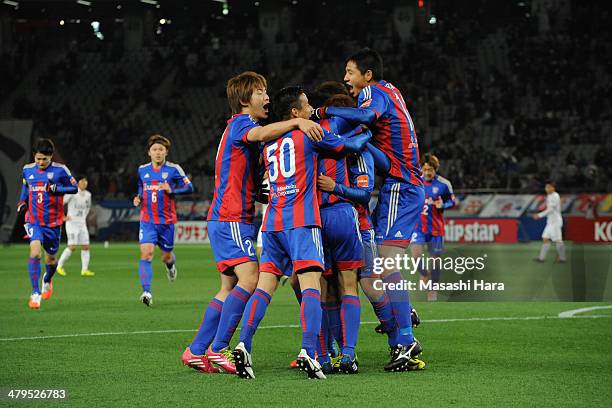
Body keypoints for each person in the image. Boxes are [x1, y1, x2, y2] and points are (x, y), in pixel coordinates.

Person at [181, 72, 324, 375]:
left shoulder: (237, 128)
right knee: (250, 278)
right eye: (261, 92)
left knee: (228, 287)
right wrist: (298, 121)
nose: (267, 97)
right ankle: (219, 349)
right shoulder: (243, 125)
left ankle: (195, 351)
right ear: (245, 100)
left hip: (229, 217)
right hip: (232, 217)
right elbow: (260, 136)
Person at [232, 86, 370, 380]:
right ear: (295, 112)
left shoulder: (268, 142)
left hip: (272, 224)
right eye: (307, 106)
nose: (311, 111)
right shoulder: (310, 133)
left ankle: (244, 343)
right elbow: (351, 147)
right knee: (311, 286)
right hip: (302, 222)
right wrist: (370, 133)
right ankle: (310, 350)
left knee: (264, 288)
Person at [314, 48, 425, 371]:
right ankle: (399, 325)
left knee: (386, 267)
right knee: (374, 271)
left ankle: (404, 335)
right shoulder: (391, 91)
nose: (346, 78)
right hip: (400, 181)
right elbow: (383, 154)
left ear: (367, 75)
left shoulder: (374, 94)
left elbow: (364, 118)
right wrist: (365, 141)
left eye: (350, 72)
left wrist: (323, 112)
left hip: (401, 187)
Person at [133, 134, 194, 306]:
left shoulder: (174, 169)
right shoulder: (142, 170)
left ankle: (170, 266)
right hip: (147, 220)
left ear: (166, 152)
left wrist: (172, 189)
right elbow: (140, 186)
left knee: (166, 256)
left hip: (166, 222)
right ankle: (146, 291)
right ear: (149, 153)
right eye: (155, 149)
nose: (158, 152)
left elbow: (190, 187)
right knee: (146, 254)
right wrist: (138, 197)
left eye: (161, 149)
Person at [17, 138, 77, 309]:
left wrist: (57, 189)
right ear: (34, 156)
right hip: (33, 220)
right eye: (38, 158)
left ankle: (47, 279)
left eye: (44, 159)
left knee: (51, 260)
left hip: (53, 222)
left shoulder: (60, 171)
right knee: (35, 252)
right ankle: (35, 293)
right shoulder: (27, 170)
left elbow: (74, 188)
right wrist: (22, 202)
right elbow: (25, 188)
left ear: (51, 157)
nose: (41, 162)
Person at [411, 154, 456, 301]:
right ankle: (424, 274)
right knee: (416, 257)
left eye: (430, 169)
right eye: (425, 169)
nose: (427, 172)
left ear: (435, 169)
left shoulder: (444, 184)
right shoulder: (416, 183)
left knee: (435, 262)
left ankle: (432, 292)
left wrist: (443, 205)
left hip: (436, 229)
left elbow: (453, 201)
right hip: (418, 227)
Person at [56, 177, 95, 277]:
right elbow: (61, 203)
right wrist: (62, 216)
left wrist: (83, 218)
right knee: (72, 247)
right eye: (82, 181)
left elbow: (88, 207)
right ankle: (59, 266)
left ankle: (84, 270)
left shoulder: (88, 195)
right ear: (78, 183)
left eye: (86, 181)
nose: (84, 183)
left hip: (82, 223)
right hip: (72, 223)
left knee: (86, 246)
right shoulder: (72, 192)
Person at [533, 181, 566, 263]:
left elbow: (551, 209)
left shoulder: (555, 196)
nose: (546, 189)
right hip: (550, 222)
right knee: (545, 238)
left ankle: (562, 258)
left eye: (548, 187)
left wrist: (539, 215)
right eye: (546, 187)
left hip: (555, 222)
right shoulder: (550, 196)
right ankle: (541, 258)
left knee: (558, 240)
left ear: (553, 188)